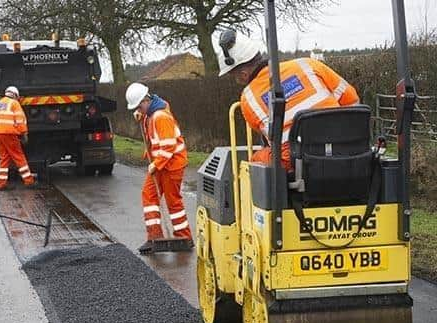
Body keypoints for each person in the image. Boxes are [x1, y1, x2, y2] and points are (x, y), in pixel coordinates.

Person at [217, 30, 360, 170]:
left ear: (243, 74)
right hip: (346, 153)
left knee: (255, 160)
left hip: (297, 164)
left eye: (233, 76)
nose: (236, 80)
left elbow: (267, 137)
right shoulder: (308, 64)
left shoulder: (248, 99)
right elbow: (352, 98)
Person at [125, 82, 193, 253]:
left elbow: (169, 146)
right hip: (161, 163)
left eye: (139, 107)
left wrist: (155, 164)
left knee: (173, 202)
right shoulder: (151, 112)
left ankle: (184, 238)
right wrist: (141, 116)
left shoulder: (161, 117)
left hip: (171, 165)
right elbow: (150, 125)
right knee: (149, 196)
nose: (139, 110)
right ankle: (155, 237)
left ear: (146, 101)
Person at [0, 86, 35, 190]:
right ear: (15, 95)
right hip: (8, 133)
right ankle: (29, 181)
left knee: (4, 157)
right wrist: (24, 134)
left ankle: (1, 184)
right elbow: (20, 121)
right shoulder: (14, 103)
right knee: (18, 156)